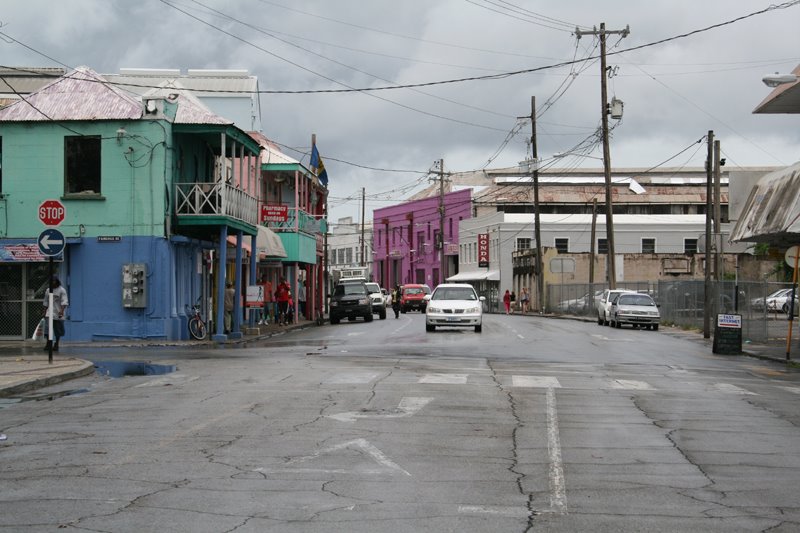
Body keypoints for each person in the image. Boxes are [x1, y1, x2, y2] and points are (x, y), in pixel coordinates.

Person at [42, 275, 69, 352]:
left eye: (54, 281)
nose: (53, 283)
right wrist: (44, 311)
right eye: (51, 281)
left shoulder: (62, 290)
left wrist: (62, 310)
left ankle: (56, 344)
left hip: (58, 313)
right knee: (47, 329)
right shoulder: (48, 290)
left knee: (58, 330)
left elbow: (64, 301)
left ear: (57, 281)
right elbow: (46, 301)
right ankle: (48, 343)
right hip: (49, 312)